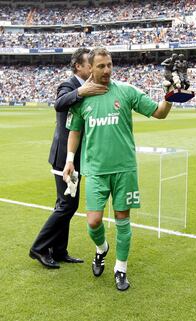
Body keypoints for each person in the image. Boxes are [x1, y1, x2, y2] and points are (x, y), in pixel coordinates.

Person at [63, 47, 173, 291]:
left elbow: (159, 113)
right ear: (90, 68)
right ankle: (102, 249)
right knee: (93, 222)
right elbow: (75, 131)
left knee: (123, 220)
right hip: (95, 170)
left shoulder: (126, 91)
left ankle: (120, 268)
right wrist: (70, 159)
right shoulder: (82, 98)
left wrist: (170, 96)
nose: (106, 70)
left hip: (124, 169)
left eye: (109, 65)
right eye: (101, 66)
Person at [29, 48, 108, 269]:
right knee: (66, 205)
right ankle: (39, 248)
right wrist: (83, 91)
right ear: (78, 67)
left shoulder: (86, 87)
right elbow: (60, 103)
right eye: (88, 64)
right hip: (63, 158)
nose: (92, 67)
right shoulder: (69, 85)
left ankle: (59, 250)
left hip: (75, 159)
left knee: (66, 205)